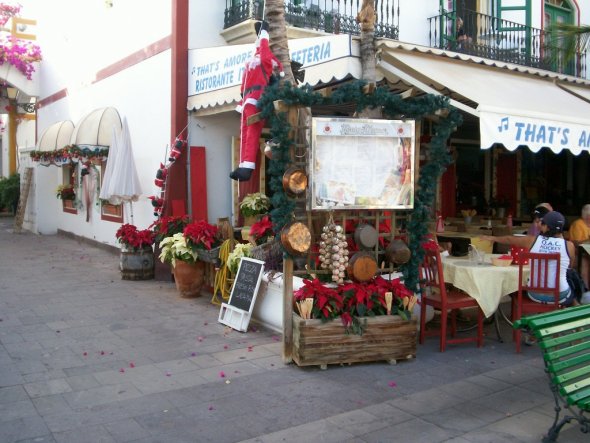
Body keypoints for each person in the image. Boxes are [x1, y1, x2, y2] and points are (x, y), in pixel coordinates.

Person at [481, 211, 576, 306]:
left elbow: (510, 239)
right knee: (571, 280)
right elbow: (570, 267)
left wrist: (492, 238)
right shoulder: (569, 246)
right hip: (560, 296)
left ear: (546, 227)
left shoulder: (532, 240)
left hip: (535, 294)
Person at [229, 21, 284, 182]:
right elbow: (259, 49)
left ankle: (247, 167)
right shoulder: (256, 59)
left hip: (255, 98)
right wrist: (260, 32)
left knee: (252, 132)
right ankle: (244, 165)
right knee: (244, 132)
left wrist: (265, 32)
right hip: (247, 99)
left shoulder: (266, 62)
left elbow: (264, 49)